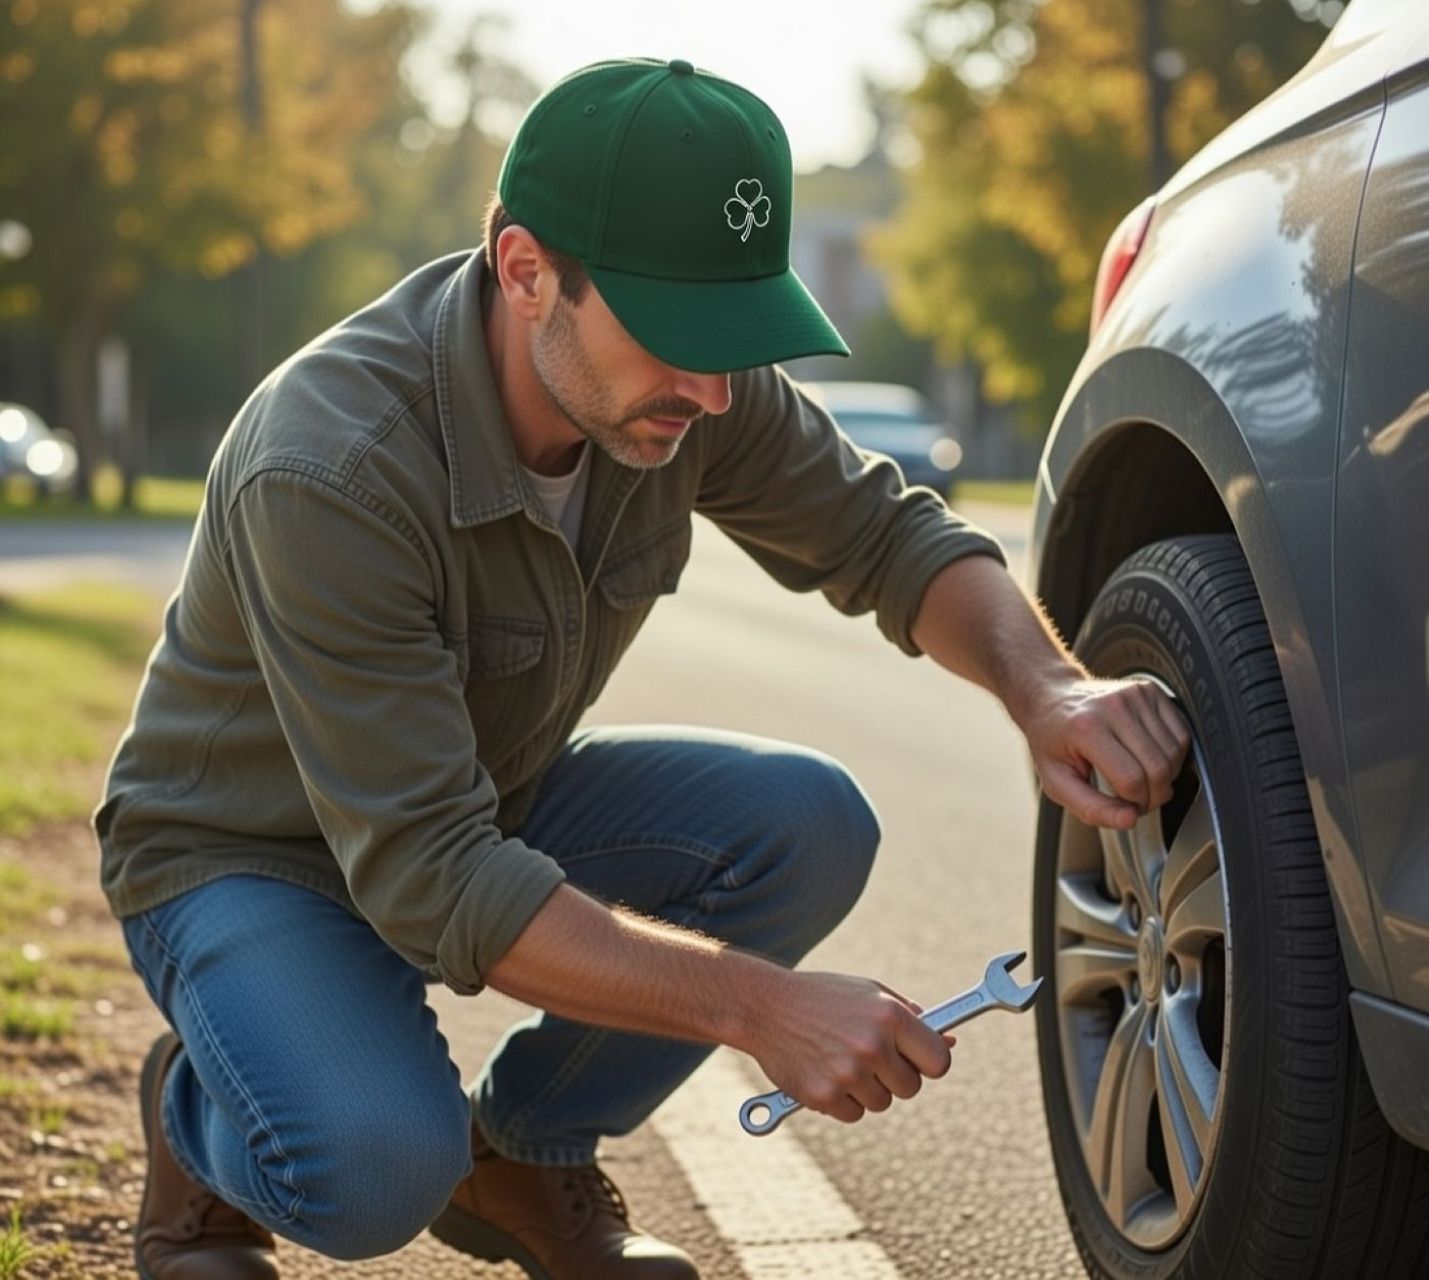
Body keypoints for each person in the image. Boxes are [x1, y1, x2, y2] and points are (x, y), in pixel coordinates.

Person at [94, 56, 1190, 1280]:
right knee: (373, 1168)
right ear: (525, 271)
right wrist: (761, 1007)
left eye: (737, 336)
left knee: (803, 821)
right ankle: (205, 1124)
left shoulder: (678, 388)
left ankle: (523, 1152)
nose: (713, 389)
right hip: (248, 857)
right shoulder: (329, 467)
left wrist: (1046, 687)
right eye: (678, 334)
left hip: (472, 809)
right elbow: (435, 877)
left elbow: (889, 536)